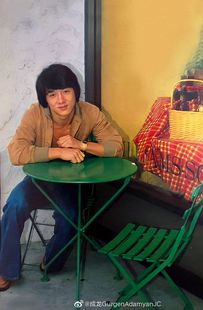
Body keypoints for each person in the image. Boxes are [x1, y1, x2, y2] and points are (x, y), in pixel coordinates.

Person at [0, 63, 123, 291]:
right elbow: (16, 153)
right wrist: (58, 152)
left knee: (71, 216)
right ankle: (4, 269)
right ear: (45, 99)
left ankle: (51, 263)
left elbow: (116, 147)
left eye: (66, 91)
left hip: (71, 183)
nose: (61, 100)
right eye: (52, 94)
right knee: (15, 205)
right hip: (39, 181)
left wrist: (81, 144)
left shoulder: (90, 112)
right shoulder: (34, 113)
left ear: (75, 91)